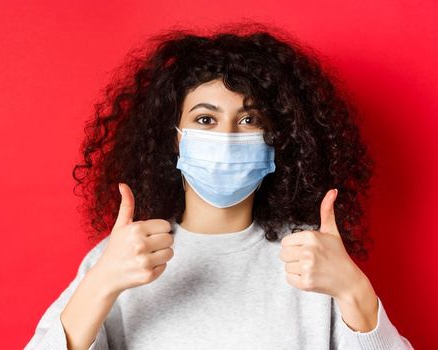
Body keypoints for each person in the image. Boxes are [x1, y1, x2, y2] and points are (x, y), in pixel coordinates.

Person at [24, 24, 415, 350]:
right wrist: (101, 284)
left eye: (248, 121)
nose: (227, 136)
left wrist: (354, 290)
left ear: (277, 138)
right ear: (174, 137)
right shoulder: (124, 255)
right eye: (206, 121)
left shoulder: (314, 259)